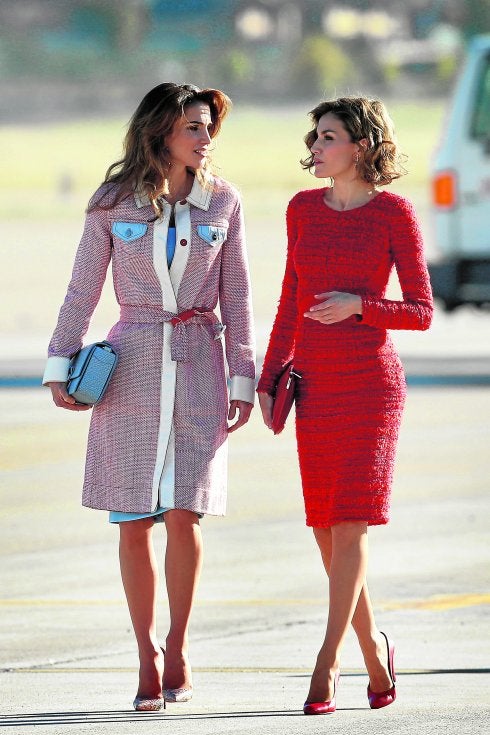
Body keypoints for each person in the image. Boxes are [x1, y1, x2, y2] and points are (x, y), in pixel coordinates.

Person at [42, 83, 255, 711]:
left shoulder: (225, 202)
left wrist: (242, 375)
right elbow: (81, 289)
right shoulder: (112, 203)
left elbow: (238, 295)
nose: (205, 137)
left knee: (185, 513)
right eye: (193, 126)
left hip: (199, 369)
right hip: (129, 366)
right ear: (161, 130)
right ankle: (144, 655)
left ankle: (179, 645)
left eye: (208, 126)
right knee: (133, 518)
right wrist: (61, 364)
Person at [257, 96, 433, 715]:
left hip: (370, 385)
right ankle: (376, 654)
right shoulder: (302, 209)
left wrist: (362, 305)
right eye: (315, 137)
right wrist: (271, 367)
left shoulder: (394, 214)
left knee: (353, 520)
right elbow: (288, 295)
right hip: (316, 384)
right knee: (326, 529)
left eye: (327, 137)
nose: (315, 148)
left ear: (358, 146)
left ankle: (324, 665)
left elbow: (421, 311)